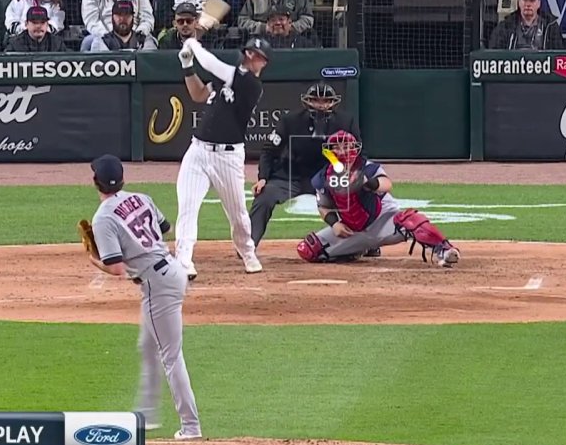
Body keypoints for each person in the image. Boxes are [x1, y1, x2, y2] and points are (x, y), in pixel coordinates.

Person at [85, 153, 202, 441]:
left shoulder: (103, 218)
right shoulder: (142, 197)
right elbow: (165, 229)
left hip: (157, 286)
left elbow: (116, 269)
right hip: (173, 269)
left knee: (171, 357)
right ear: (123, 179)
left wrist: (93, 259)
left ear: (94, 182)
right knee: (147, 345)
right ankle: (147, 414)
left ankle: (191, 427)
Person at [173, 36, 271, 280]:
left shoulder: (251, 85)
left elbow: (211, 63)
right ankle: (183, 261)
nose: (254, 58)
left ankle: (248, 252)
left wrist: (193, 44)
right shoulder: (227, 77)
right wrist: (187, 65)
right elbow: (197, 94)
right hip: (198, 151)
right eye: (252, 53)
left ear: (264, 63)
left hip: (228, 157)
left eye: (259, 57)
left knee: (237, 213)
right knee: (187, 207)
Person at [296, 130, 461, 267]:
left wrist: (368, 182)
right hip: (351, 230)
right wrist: (335, 223)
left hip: (383, 220)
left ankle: (444, 250)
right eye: (337, 147)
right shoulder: (323, 177)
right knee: (308, 249)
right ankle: (357, 249)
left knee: (412, 220)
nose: (342, 150)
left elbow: (386, 184)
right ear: (330, 151)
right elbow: (324, 206)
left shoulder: (367, 168)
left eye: (346, 146)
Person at [249, 81, 360, 249]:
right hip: (292, 176)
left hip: (327, 178)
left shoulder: (346, 122)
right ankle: (248, 245)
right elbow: (269, 151)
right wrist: (263, 178)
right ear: (307, 101)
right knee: (265, 196)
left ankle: (365, 241)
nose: (321, 105)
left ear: (333, 102)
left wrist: (357, 175)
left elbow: (358, 153)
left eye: (326, 101)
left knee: (357, 195)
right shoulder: (290, 121)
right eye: (316, 100)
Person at [487, 0, 564, 50]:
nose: (528, 4)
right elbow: (494, 53)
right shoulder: (506, 26)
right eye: (525, 0)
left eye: (532, 0)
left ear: (539, 4)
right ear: (519, 2)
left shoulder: (550, 26)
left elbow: (558, 54)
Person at [89, 0, 157, 51]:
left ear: (133, 17)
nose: (122, 19)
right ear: (112, 17)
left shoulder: (144, 40)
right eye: (119, 15)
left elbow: (149, 63)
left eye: (127, 15)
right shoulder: (102, 41)